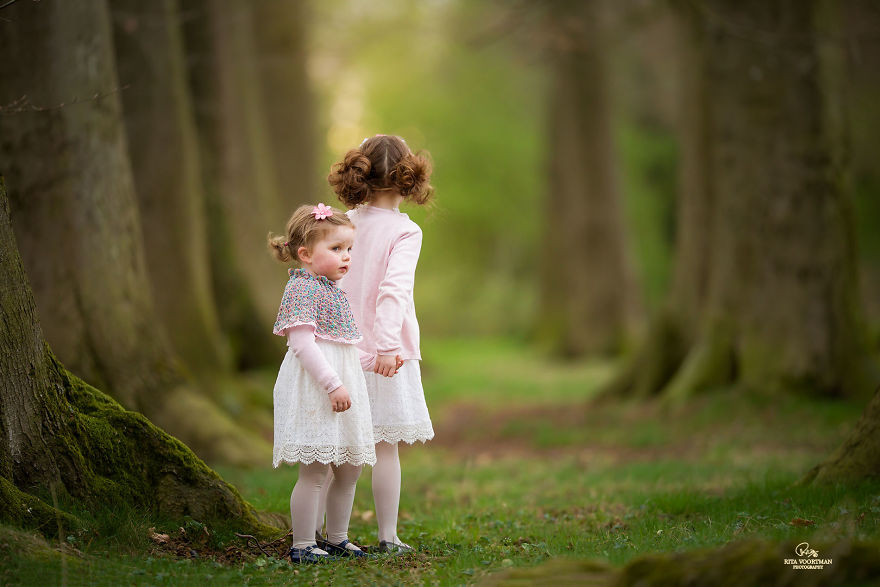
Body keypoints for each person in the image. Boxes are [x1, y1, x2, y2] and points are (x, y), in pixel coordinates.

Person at [324, 134, 436, 553]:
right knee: (383, 446)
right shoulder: (406, 232)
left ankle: (322, 537)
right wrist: (389, 345)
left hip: (339, 346)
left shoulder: (340, 224)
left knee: (336, 447)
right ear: (409, 179)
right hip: (386, 354)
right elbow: (394, 291)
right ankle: (387, 537)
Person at [268, 203, 377, 563]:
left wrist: (367, 363)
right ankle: (303, 543)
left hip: (342, 386)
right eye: (336, 249)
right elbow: (302, 344)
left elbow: (340, 345)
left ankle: (337, 537)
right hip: (317, 388)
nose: (346, 257)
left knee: (349, 467)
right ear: (305, 254)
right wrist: (332, 383)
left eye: (349, 249)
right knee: (315, 469)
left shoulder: (333, 290)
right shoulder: (302, 289)